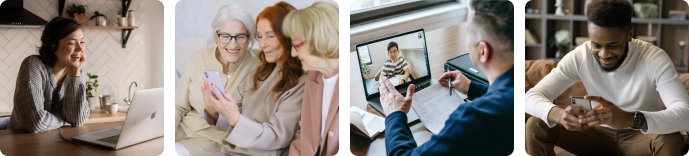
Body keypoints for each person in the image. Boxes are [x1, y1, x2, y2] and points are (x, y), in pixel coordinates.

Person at [525, 0, 689, 155]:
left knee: (669, 138)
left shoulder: (653, 58)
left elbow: (685, 115)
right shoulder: (580, 56)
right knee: (536, 124)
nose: (604, 54)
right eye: (596, 45)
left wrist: (629, 119)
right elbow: (529, 97)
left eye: (613, 45)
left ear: (629, 33)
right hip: (595, 134)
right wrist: (559, 115)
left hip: (638, 137)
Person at [378, 0, 514, 155]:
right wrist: (471, 87)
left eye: (468, 34)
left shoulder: (473, 120)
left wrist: (395, 114)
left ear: (483, 51)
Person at [201, 1, 306, 156]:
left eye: (270, 36)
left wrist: (235, 118)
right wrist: (214, 110)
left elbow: (278, 136)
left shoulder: (301, 83)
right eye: (260, 37)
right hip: (233, 151)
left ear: (290, 36)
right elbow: (232, 114)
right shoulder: (260, 72)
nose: (262, 44)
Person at [174, 4, 261, 156]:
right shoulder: (198, 58)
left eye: (240, 36)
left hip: (218, 145)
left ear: (248, 39)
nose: (233, 45)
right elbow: (177, 106)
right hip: (182, 135)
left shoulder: (259, 63)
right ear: (216, 36)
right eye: (226, 36)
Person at [8, 17, 89, 133]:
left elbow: (77, 120)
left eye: (82, 42)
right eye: (72, 43)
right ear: (53, 46)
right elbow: (35, 123)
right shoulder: (33, 65)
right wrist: (62, 119)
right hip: (22, 144)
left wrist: (75, 73)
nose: (80, 48)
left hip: (54, 143)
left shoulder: (77, 72)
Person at [282, 2, 339, 156]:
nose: (293, 53)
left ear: (318, 39)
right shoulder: (314, 76)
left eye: (296, 44)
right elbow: (305, 133)